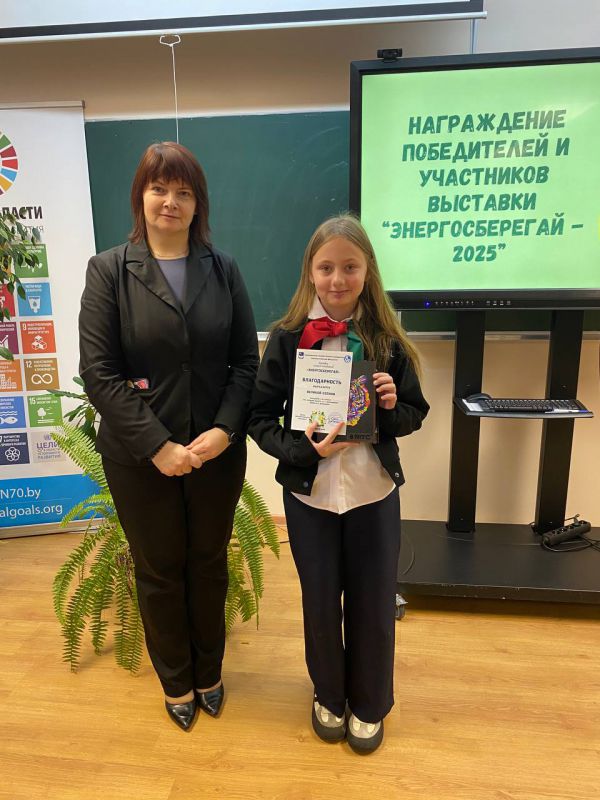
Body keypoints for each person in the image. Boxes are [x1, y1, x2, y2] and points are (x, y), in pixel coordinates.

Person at [79, 142, 259, 731]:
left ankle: (210, 673)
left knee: (208, 563)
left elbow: (245, 364)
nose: (170, 202)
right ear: (141, 196)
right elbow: (99, 373)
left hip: (214, 453)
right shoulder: (109, 270)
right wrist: (157, 445)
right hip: (139, 458)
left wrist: (225, 430)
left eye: (184, 192)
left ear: (197, 203)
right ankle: (176, 681)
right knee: (158, 568)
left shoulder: (224, 269)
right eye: (159, 189)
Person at [248, 214, 429, 754]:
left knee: (373, 603)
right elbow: (259, 418)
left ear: (367, 270)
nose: (337, 279)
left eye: (350, 267)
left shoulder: (386, 339)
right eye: (326, 267)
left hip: (374, 494)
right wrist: (305, 450)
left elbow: (415, 412)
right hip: (311, 498)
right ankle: (328, 693)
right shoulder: (286, 339)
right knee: (320, 601)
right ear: (310, 270)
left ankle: (370, 704)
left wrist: (390, 407)